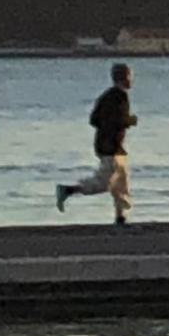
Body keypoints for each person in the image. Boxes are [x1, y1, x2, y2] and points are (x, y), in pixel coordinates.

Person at [56, 63, 138, 225]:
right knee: (105, 182)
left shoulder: (106, 96)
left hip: (108, 145)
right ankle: (68, 190)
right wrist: (129, 121)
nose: (132, 80)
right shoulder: (120, 96)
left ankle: (120, 217)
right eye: (130, 76)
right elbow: (117, 120)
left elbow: (94, 119)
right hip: (111, 147)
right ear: (125, 77)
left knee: (121, 181)